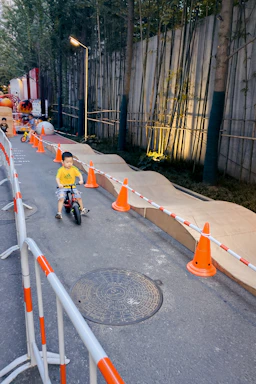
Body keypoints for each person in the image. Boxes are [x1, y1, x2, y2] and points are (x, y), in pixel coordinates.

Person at [55, 151, 90, 219]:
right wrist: (59, 184)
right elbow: (57, 178)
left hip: (72, 186)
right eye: (67, 162)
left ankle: (82, 209)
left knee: (78, 197)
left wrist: (81, 180)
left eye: (71, 162)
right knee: (61, 199)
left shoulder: (74, 169)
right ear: (62, 162)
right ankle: (59, 213)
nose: (69, 164)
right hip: (63, 187)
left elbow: (79, 174)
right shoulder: (61, 170)